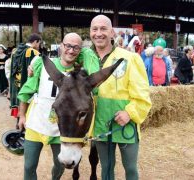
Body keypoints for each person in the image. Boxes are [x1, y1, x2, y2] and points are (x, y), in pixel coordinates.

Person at [86, 14, 152, 180]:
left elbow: (142, 93)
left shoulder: (130, 58)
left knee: (130, 168)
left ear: (112, 33)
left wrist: (130, 112)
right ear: (90, 32)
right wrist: (34, 66)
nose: (98, 33)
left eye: (103, 29)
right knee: (106, 168)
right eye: (95, 29)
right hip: (100, 124)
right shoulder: (86, 58)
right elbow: (65, 59)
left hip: (124, 124)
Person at [17, 33, 83, 180]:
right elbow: (26, 91)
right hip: (36, 124)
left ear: (80, 50)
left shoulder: (80, 73)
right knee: (29, 166)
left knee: (59, 166)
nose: (71, 50)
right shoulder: (42, 63)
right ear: (61, 45)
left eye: (76, 47)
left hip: (61, 130)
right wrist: (22, 116)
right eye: (68, 46)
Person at [10, 33, 40, 127]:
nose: (39, 46)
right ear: (35, 42)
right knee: (26, 104)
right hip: (25, 84)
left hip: (15, 84)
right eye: (39, 43)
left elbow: (12, 70)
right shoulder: (33, 52)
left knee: (18, 104)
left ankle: (18, 123)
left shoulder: (15, 51)